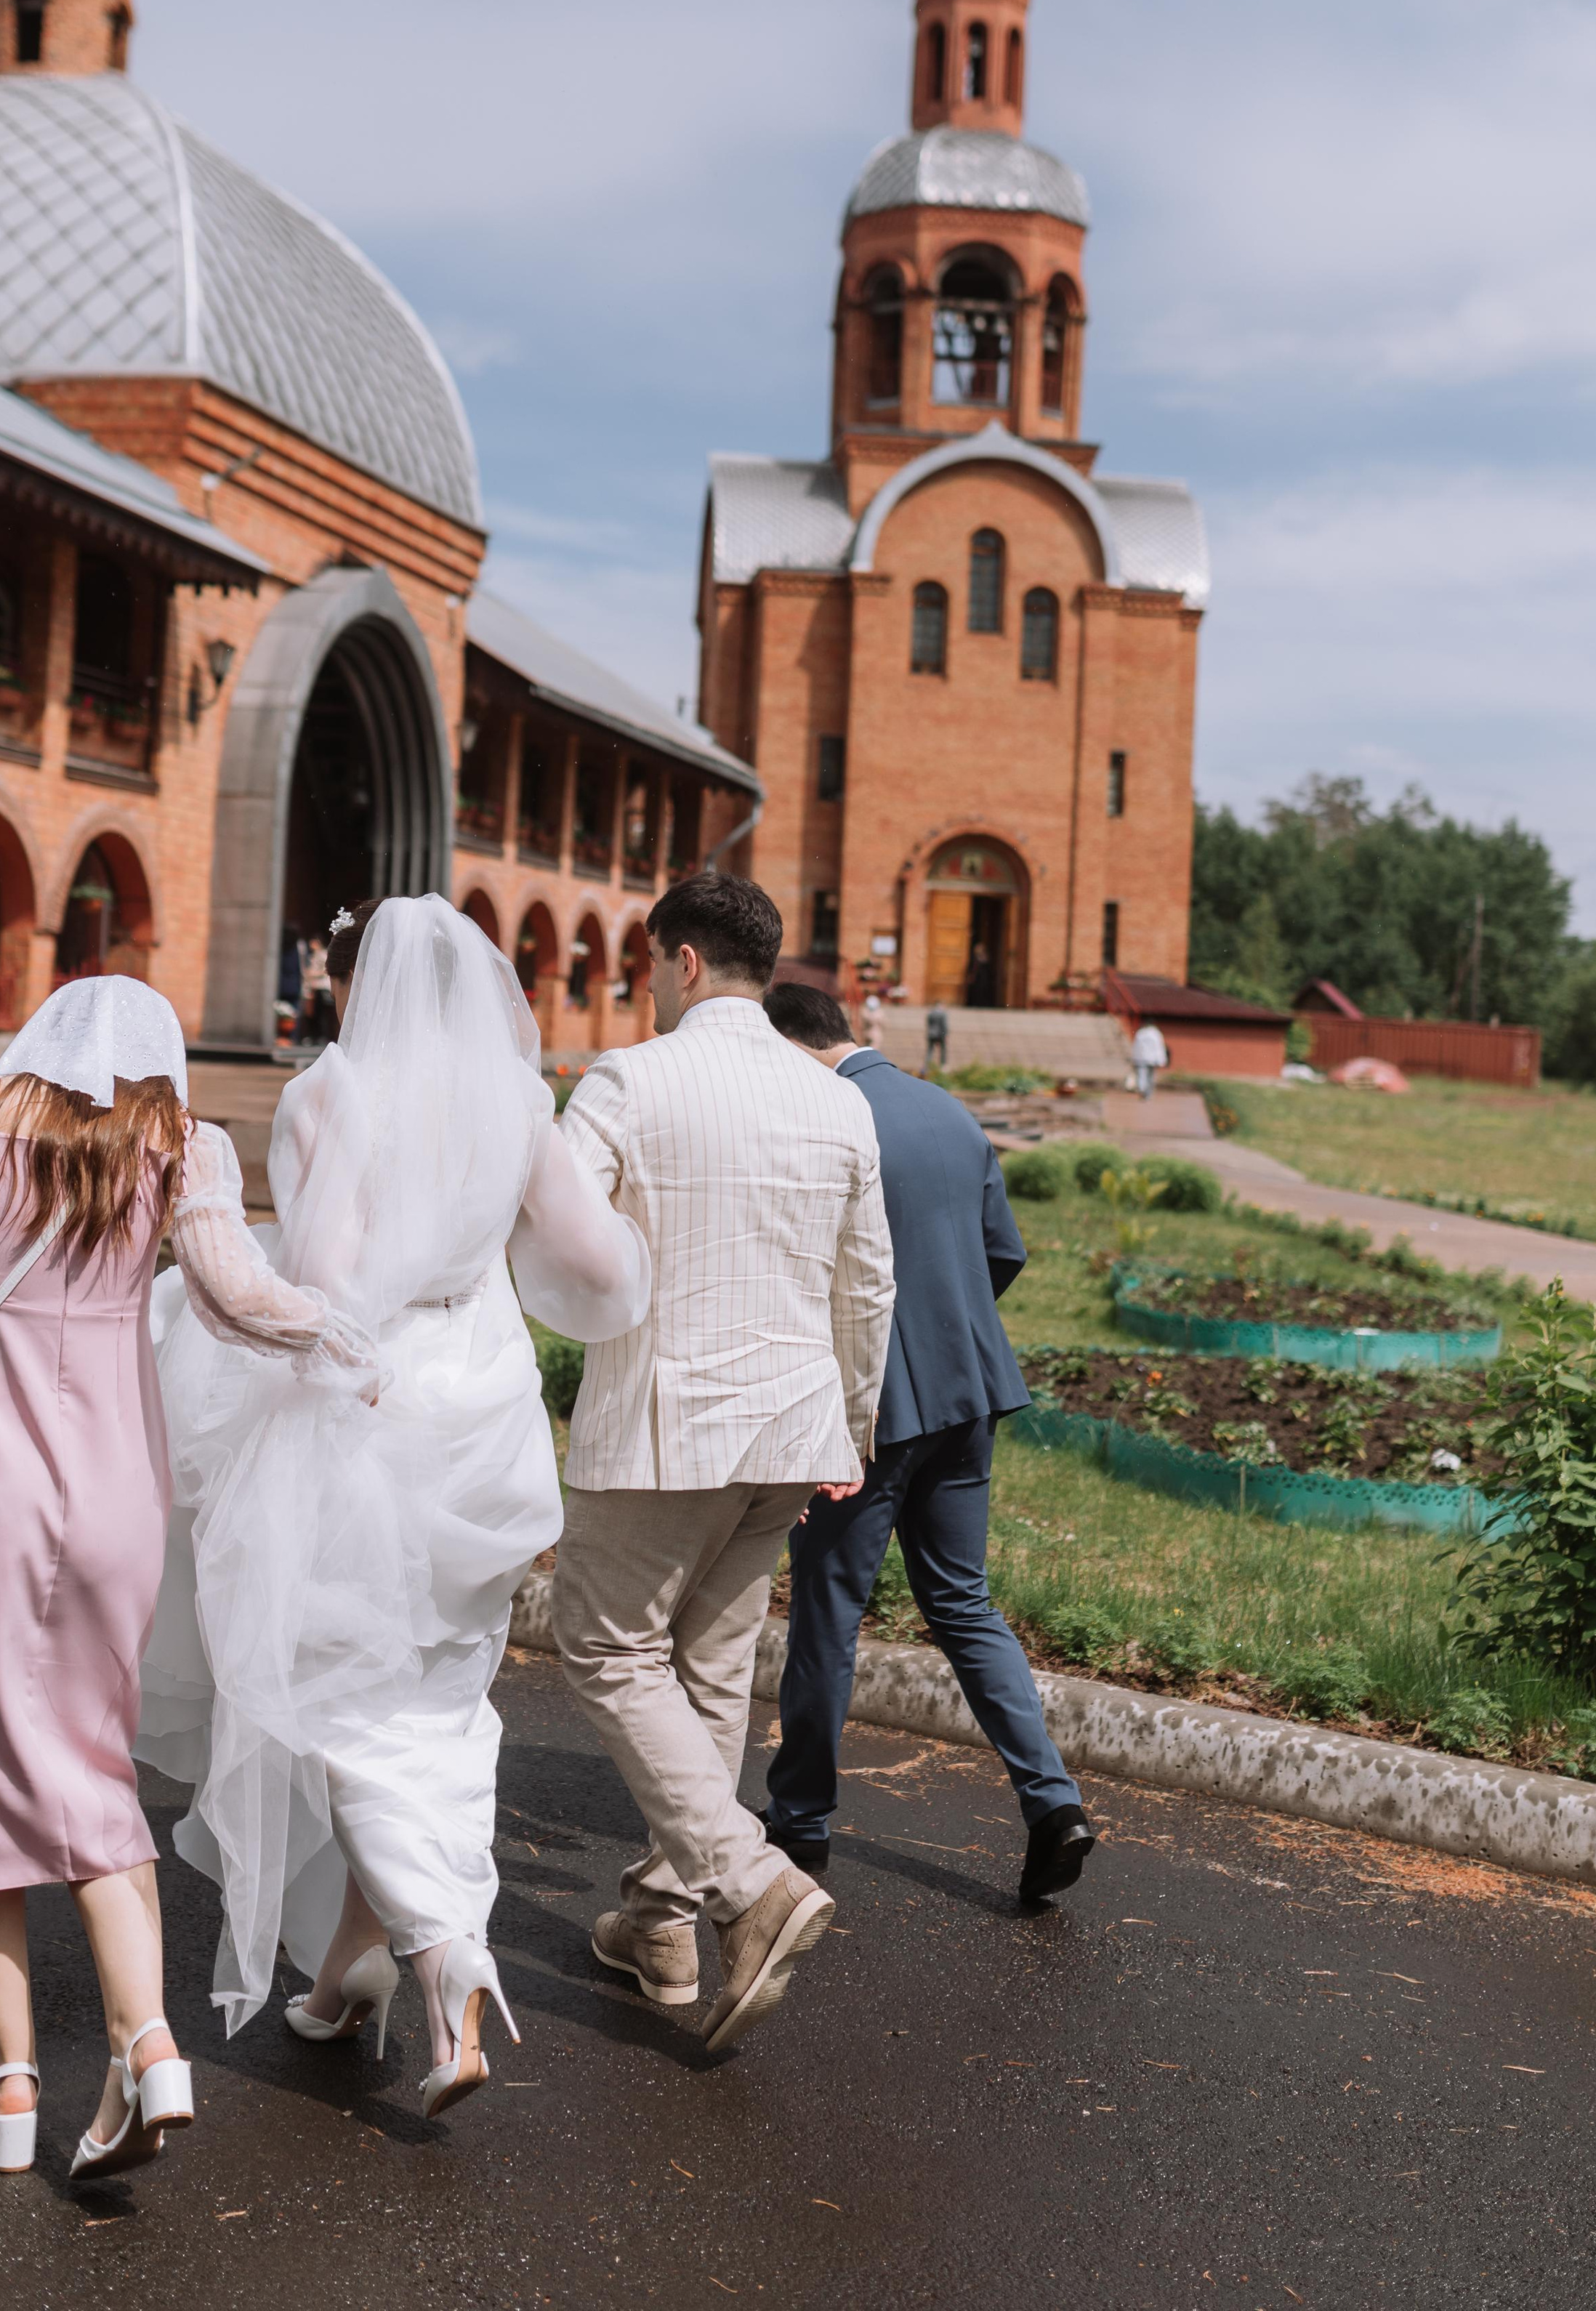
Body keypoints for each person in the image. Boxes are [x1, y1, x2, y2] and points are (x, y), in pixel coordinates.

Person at [139, 895, 648, 2116]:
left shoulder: (332, 1093)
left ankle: (436, 1947)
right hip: (486, 1408)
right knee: (435, 1699)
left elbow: (323, 1280)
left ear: (356, 979)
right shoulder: (519, 1100)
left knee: (337, 1708)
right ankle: (344, 1979)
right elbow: (590, 1260)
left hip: (372, 1406)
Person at [0, 977, 370, 2181]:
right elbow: (239, 1299)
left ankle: (14, 2086)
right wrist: (343, 1339)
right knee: (92, 1752)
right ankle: (146, 2044)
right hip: (112, 1491)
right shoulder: (181, 1144)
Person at [549, 873, 895, 2053]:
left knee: (606, 1646)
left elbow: (553, 1229)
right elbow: (869, 1281)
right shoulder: (836, 1100)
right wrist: (850, 1423)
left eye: (651, 968)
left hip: (661, 1422)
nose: (647, 989)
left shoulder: (631, 1081)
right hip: (791, 1431)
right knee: (709, 1669)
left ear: (685, 961)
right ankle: (660, 1919)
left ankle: (750, 1886)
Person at [758, 982, 1096, 1906]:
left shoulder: (827, 1119)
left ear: (791, 1048)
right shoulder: (949, 1110)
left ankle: (801, 1820)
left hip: (870, 1409)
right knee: (963, 1603)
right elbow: (1000, 1254)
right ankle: (1052, 1801)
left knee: (829, 1608)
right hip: (971, 1390)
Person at [1132, 1018, 1169, 1100]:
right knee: (1150, 1076)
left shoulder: (1141, 1033)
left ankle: (1142, 1089)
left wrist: (1134, 1057)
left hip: (1141, 1058)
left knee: (1142, 1075)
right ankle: (1147, 1093)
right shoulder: (1156, 1034)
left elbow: (1136, 1047)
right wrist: (1162, 1060)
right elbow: (1159, 1047)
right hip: (1152, 1059)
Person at [923, 998, 949, 1076]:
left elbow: (928, 1023)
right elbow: (944, 1025)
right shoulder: (943, 1013)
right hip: (940, 1034)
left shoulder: (931, 1013)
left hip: (931, 1033)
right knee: (943, 1050)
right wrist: (945, 1035)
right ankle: (942, 1065)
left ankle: (927, 1065)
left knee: (930, 1051)